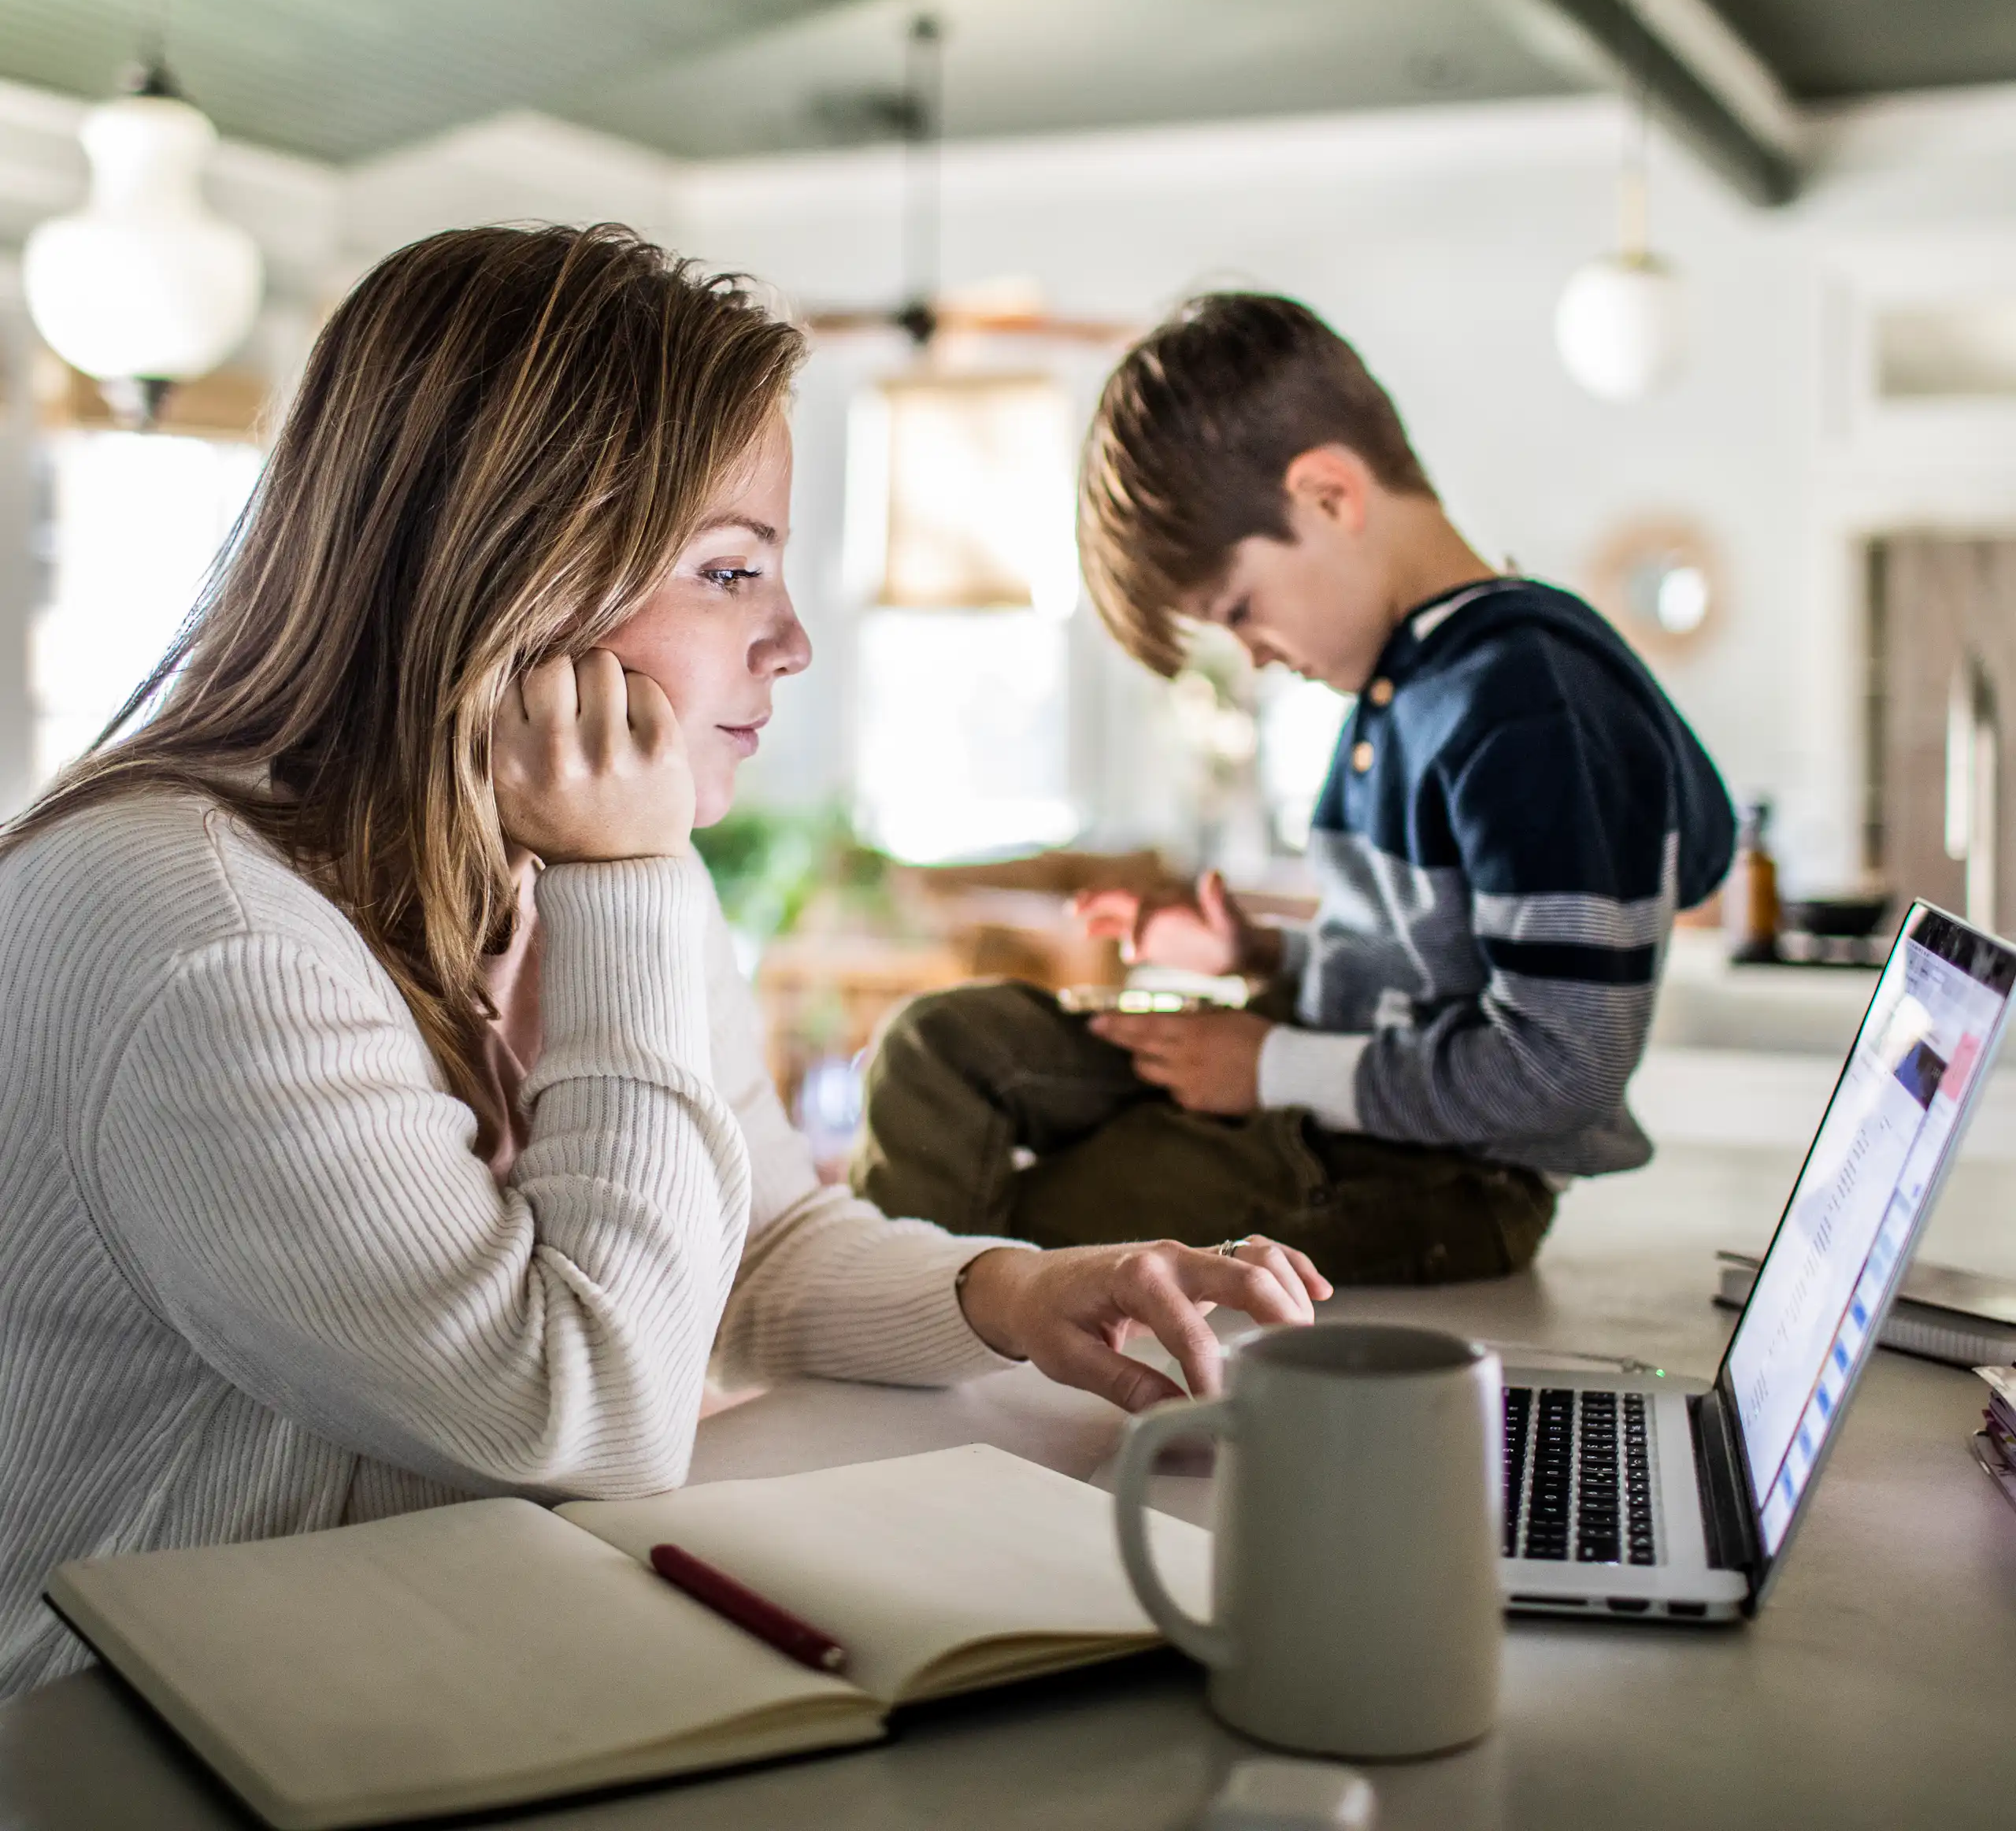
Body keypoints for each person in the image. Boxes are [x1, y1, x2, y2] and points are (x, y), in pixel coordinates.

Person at [0, 229, 1329, 1696]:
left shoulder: (585, 851)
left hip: (403, 1648)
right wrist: (626, 884)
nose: (793, 638)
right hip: (129, 1733)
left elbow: (750, 1240)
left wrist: (1012, 1294)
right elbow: (585, 1404)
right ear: (517, 573)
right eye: (730, 568)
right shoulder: (207, 931)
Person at [854, 291, 1735, 1284]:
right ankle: (908, 1317)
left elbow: (1563, 1068)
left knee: (1039, 1221)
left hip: (1443, 1174)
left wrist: (1267, 1065)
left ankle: (930, 1367)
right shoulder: (1408, 685)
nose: (1257, 657)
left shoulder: (1534, 704)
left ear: (1327, 496)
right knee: (938, 1049)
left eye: (1240, 610)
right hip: (1326, 1087)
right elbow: (1424, 965)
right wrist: (1257, 951)